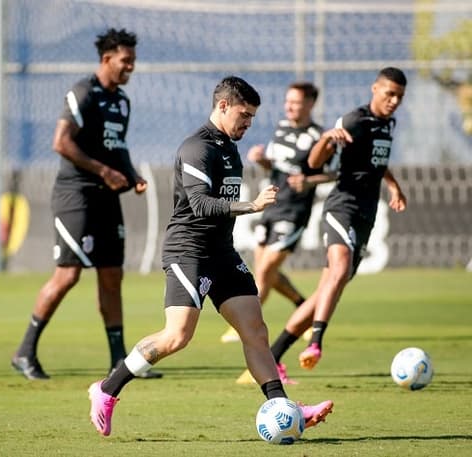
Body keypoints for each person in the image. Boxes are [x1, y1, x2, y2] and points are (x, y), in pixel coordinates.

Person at [87, 76, 334, 437]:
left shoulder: (230, 148)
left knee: (255, 330)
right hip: (188, 251)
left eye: (251, 116)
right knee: (177, 336)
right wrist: (252, 204)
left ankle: (284, 408)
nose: (248, 123)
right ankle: (106, 389)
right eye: (244, 114)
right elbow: (201, 204)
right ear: (222, 106)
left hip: (221, 253)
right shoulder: (196, 148)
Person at [11, 28, 161, 380]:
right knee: (67, 276)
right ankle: (24, 352)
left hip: (107, 196)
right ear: (107, 59)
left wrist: (130, 173)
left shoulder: (122, 101)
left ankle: (118, 361)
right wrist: (102, 171)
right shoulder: (83, 93)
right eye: (126, 61)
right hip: (75, 195)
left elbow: (117, 145)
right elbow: (61, 143)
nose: (131, 67)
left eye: (133, 62)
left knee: (112, 276)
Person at [269, 67, 408, 380]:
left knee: (324, 293)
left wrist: (394, 185)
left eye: (399, 96)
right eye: (390, 94)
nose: (394, 101)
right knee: (340, 267)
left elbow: (378, 162)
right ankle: (315, 342)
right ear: (375, 89)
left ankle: (273, 355)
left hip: (365, 214)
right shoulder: (354, 120)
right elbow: (314, 163)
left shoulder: (388, 123)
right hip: (341, 206)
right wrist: (326, 138)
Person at [223, 82, 336, 385]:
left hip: (294, 212)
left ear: (311, 104)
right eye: (287, 101)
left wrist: (311, 181)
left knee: (266, 269)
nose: (290, 107)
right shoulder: (283, 128)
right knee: (265, 272)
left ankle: (244, 324)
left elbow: (334, 172)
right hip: (271, 203)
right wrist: (262, 160)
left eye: (296, 102)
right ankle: (302, 307)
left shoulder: (318, 137)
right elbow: (274, 168)